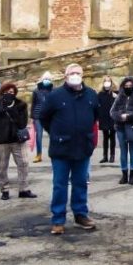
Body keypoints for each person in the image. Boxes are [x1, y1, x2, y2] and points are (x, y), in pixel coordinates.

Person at [39, 63, 101, 234]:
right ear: (65, 76)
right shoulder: (55, 96)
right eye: (71, 73)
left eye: (78, 73)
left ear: (83, 75)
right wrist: (55, 132)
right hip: (61, 147)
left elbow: (95, 115)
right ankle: (58, 219)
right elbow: (44, 117)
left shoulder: (91, 95)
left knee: (80, 183)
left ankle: (81, 215)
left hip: (83, 146)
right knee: (60, 185)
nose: (75, 75)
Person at [0, 83, 36, 201]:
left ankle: (23, 189)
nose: (9, 95)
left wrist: (11, 109)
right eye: (7, 92)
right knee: (2, 167)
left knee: (23, 163)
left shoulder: (20, 105)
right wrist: (0, 109)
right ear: (2, 93)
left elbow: (22, 123)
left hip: (17, 140)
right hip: (1, 141)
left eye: (12, 93)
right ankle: (5, 190)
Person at [110, 76, 133, 185]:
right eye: (126, 86)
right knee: (123, 152)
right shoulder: (119, 97)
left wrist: (129, 116)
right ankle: (124, 174)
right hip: (121, 128)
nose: (128, 87)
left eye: (130, 86)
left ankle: (132, 175)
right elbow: (112, 112)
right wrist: (121, 116)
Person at [30, 72, 54, 163]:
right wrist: (32, 116)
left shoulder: (54, 90)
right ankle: (38, 154)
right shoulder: (36, 90)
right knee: (38, 136)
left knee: (52, 135)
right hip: (38, 116)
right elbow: (33, 103)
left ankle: (52, 153)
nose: (46, 80)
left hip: (49, 116)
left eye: (48, 79)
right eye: (45, 79)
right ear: (42, 79)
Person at [97, 76, 117, 164]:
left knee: (112, 137)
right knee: (105, 137)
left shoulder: (115, 93)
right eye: (105, 81)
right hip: (104, 117)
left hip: (112, 118)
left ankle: (112, 155)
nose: (107, 82)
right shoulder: (100, 94)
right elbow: (97, 106)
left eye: (109, 81)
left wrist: (116, 96)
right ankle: (105, 156)